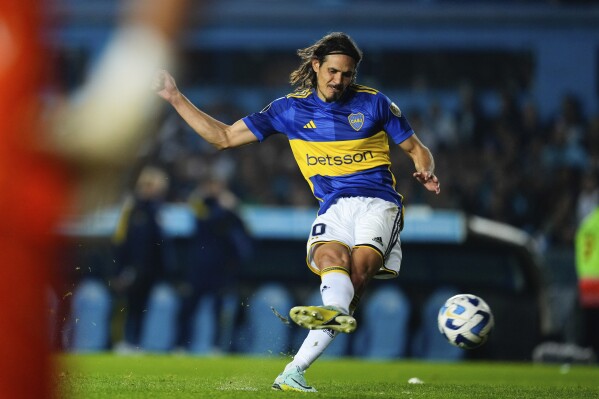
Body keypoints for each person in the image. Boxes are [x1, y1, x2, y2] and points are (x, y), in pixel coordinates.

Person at [154, 32, 440, 392]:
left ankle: (324, 328)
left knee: (360, 268)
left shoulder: (375, 104)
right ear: (316, 66)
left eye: (347, 74)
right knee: (330, 263)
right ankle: (298, 367)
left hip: (378, 202)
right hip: (332, 207)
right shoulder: (288, 110)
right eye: (333, 71)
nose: (339, 80)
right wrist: (175, 97)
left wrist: (426, 168)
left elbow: (417, 148)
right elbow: (223, 137)